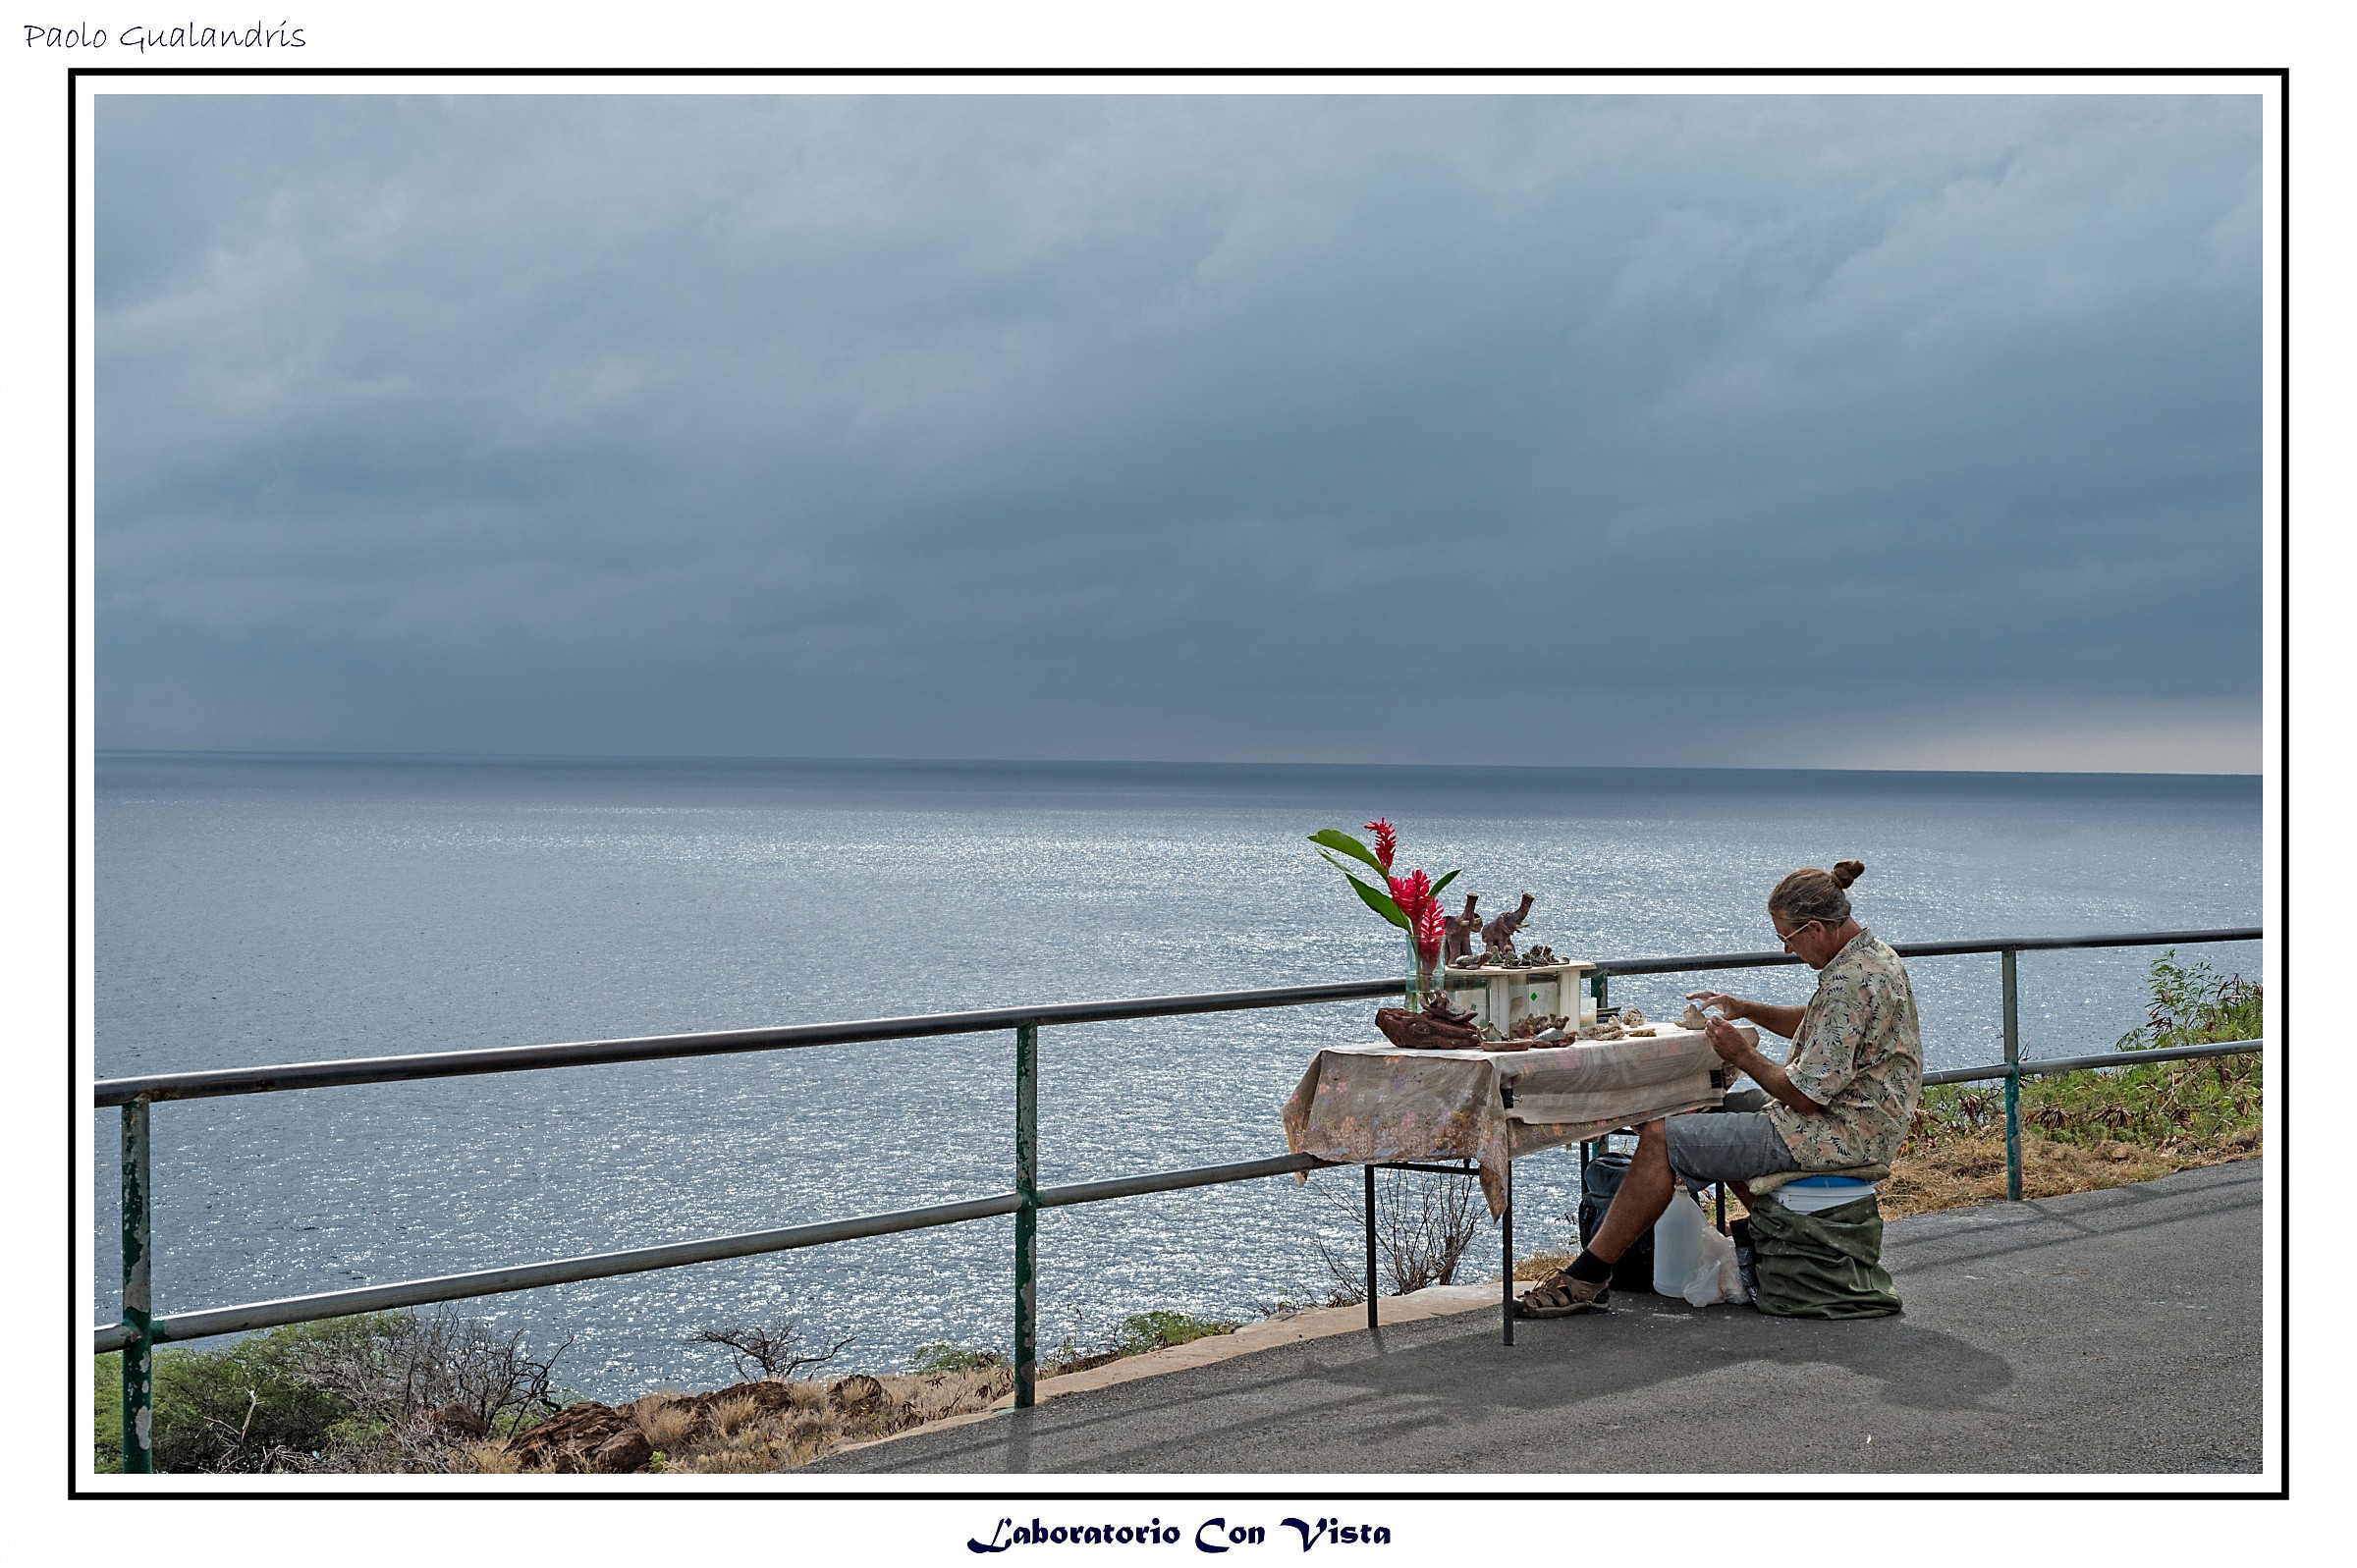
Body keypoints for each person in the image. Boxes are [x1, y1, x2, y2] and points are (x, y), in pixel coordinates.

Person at [1520, 859, 1923, 1316]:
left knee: (1662, 1138)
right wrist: (1745, 1008)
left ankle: (1587, 1277)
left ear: (1815, 927)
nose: (1789, 951)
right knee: (1704, 1109)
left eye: (1787, 939)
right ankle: (1775, 1235)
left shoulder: (1849, 982)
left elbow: (1804, 1097)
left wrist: (1741, 1055)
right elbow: (1820, 1025)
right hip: (1860, 1121)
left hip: (1835, 1135)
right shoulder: (1872, 958)